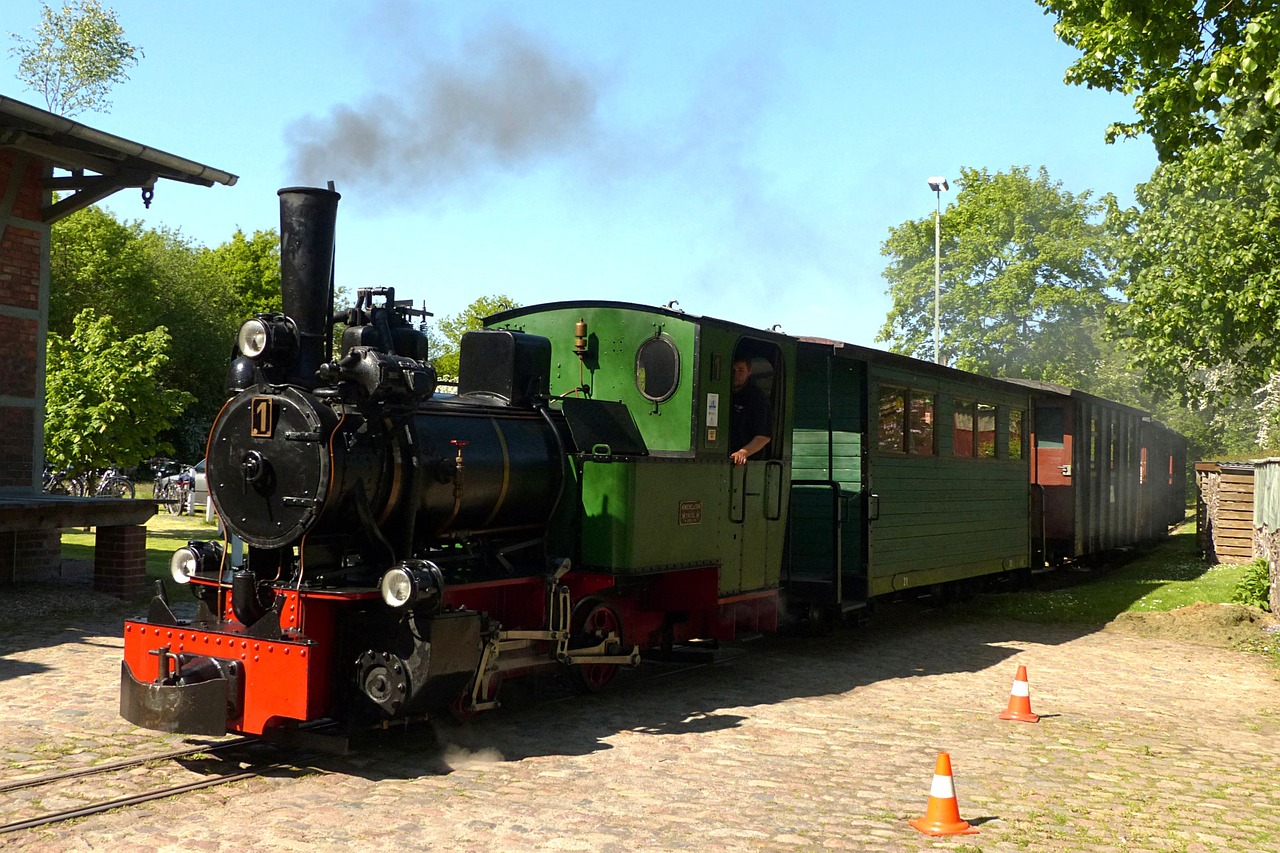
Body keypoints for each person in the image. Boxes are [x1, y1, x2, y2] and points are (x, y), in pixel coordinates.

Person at [730, 357, 771, 465]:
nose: (735, 374)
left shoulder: (757, 398)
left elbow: (764, 437)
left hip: (750, 463)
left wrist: (743, 452)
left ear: (749, 372)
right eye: (732, 370)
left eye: (741, 370)